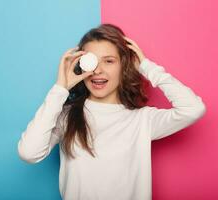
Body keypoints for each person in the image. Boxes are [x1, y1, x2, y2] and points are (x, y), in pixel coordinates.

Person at [17, 23, 206, 200]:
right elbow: (29, 153)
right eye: (91, 62)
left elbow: (193, 109)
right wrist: (60, 88)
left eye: (109, 61)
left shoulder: (142, 119)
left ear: (124, 65)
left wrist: (146, 67)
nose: (98, 70)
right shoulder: (66, 116)